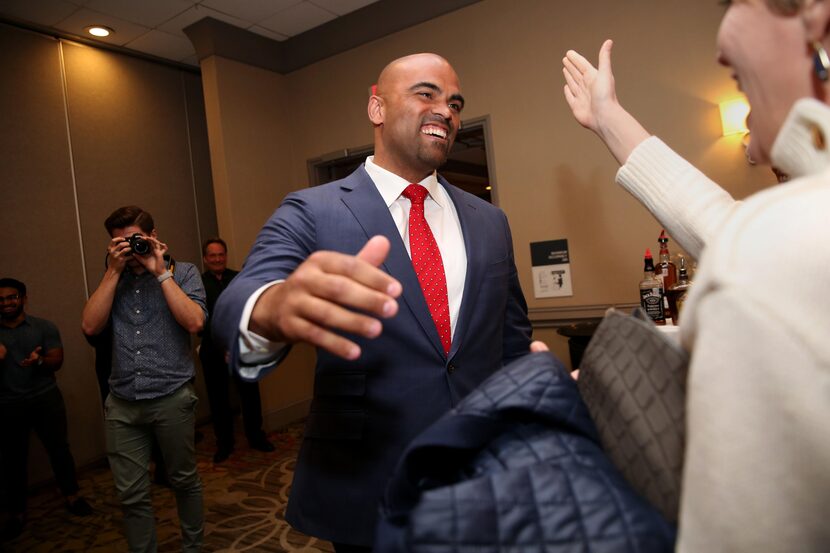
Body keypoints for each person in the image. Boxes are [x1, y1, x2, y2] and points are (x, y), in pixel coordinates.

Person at [212, 53, 533, 550]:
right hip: (371, 484)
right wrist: (275, 308)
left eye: (455, 103)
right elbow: (239, 301)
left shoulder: (491, 220)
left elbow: (511, 340)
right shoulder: (313, 209)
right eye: (426, 94)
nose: (446, 111)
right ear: (377, 108)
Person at [561, 1, 830, 550]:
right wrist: (609, 117)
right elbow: (734, 232)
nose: (718, 47)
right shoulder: (780, 233)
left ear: (816, 17)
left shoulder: (780, 241)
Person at [81, 206, 206, 552]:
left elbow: (195, 322)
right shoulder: (113, 279)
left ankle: (193, 547)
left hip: (172, 397)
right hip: (122, 402)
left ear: (151, 236)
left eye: (134, 240)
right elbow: (90, 326)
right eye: (119, 243)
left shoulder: (185, 273)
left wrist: (161, 272)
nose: (128, 248)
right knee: (131, 494)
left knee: (183, 480)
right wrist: (111, 272)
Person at [0, 278, 92, 542]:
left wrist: (39, 360)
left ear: (23, 299)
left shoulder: (43, 327)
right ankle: (16, 513)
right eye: (1, 299)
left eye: (11, 297)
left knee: (59, 450)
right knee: (12, 460)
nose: (6, 303)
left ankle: (72, 496)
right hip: (7, 405)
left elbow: (57, 360)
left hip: (45, 399)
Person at [199, 238, 274, 463]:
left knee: (250, 393)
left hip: (242, 345)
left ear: (226, 255)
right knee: (218, 398)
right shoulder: (198, 283)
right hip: (212, 349)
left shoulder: (239, 278)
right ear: (205, 259)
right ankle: (224, 444)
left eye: (220, 254)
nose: (217, 259)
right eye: (212, 255)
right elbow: (200, 320)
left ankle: (256, 436)